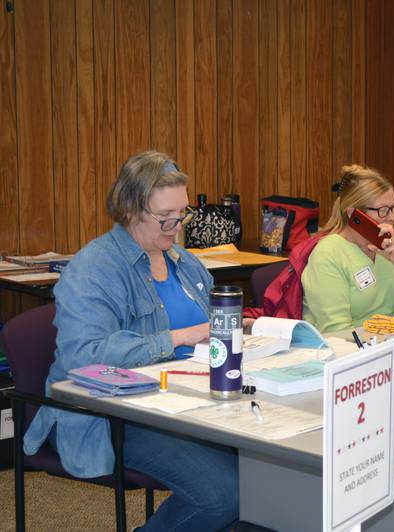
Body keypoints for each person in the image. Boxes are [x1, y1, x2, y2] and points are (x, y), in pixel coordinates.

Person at [23, 151, 239, 531]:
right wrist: (178, 337)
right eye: (165, 217)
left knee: (271, 472)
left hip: (189, 401)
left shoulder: (184, 262)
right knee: (224, 494)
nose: (176, 225)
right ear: (130, 209)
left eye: (182, 213)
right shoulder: (93, 271)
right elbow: (84, 358)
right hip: (114, 414)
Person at [244, 164, 394, 332]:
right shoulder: (328, 253)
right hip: (350, 355)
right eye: (383, 210)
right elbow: (335, 332)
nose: (391, 218)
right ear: (354, 214)